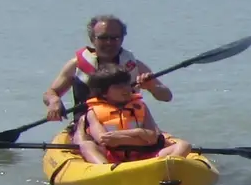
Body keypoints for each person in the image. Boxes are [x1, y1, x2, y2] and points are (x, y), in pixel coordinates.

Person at [42, 14, 171, 121]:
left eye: (114, 38)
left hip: (128, 127)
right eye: (103, 38)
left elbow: (166, 96)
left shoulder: (134, 66)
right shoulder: (76, 65)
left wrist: (152, 87)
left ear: (122, 39)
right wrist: (54, 101)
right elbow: (50, 93)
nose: (109, 43)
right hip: (88, 128)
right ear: (93, 39)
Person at [74, 66, 192, 164]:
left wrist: (137, 132)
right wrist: (141, 137)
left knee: (184, 145)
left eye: (126, 84)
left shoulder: (140, 107)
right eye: (118, 86)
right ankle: (106, 173)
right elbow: (104, 139)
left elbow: (153, 137)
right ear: (104, 93)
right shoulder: (93, 112)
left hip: (144, 155)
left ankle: (166, 170)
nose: (126, 89)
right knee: (87, 146)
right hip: (112, 159)